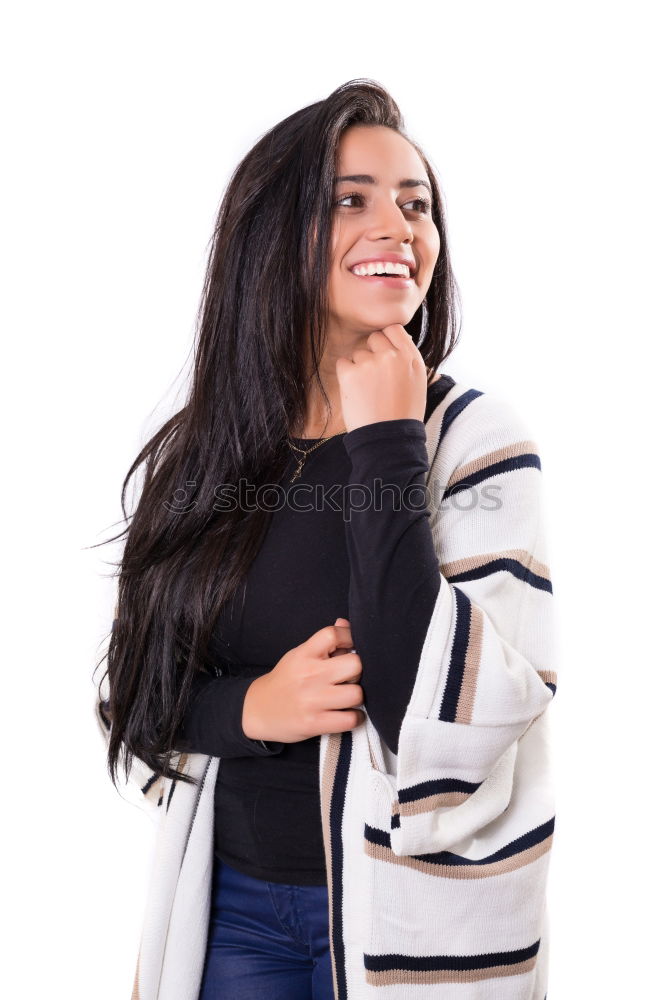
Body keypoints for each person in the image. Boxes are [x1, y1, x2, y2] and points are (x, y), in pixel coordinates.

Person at [94, 78, 558, 1000]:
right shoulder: (206, 453)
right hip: (231, 913)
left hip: (421, 921)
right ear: (274, 234)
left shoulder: (472, 443)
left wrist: (386, 439)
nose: (400, 225)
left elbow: (452, 722)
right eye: (352, 198)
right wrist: (253, 711)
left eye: (415, 204)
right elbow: (141, 700)